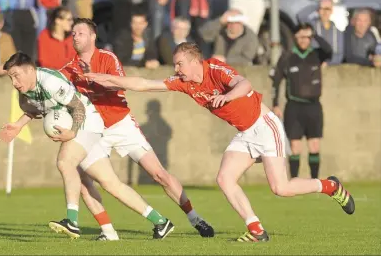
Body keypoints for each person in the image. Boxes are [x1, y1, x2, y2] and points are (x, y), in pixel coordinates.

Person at [83, 41, 355, 242]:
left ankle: (330, 186)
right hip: (245, 134)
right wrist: (104, 79)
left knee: (280, 188)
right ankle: (256, 229)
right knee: (224, 179)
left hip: (264, 126)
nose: (176, 69)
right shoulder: (184, 82)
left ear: (193, 60)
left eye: (179, 63)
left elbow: (245, 84)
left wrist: (228, 96)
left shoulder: (214, 67)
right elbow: (143, 83)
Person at [59, 18, 214, 239]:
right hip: (94, 131)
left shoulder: (107, 58)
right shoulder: (69, 69)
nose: (75, 36)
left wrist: (92, 74)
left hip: (120, 124)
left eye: (81, 33)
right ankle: (108, 231)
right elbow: (55, 90)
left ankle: (195, 218)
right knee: (83, 181)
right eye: (73, 33)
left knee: (159, 174)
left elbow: (120, 85)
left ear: (93, 36)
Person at [0, 52, 175, 241]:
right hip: (79, 127)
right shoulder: (24, 91)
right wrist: (18, 125)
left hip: (87, 122)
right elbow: (34, 109)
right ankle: (155, 223)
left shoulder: (50, 81)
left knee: (65, 163)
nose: (14, 82)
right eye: (11, 77)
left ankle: (72, 222)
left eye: (16, 75)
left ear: (30, 70)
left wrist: (72, 132)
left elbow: (78, 107)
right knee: (105, 183)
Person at [271, 23, 332, 179]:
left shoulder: (317, 54)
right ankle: (295, 180)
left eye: (307, 37)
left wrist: (314, 34)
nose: (304, 40)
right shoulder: (287, 56)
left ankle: (315, 181)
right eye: (300, 37)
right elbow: (276, 80)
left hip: (313, 106)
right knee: (295, 146)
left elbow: (329, 50)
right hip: (294, 107)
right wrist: (275, 103)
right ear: (295, 38)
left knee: (314, 145)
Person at [309, 0, 344, 66]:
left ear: (332, 11)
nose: (324, 12)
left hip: (332, 68)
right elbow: (300, 16)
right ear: (318, 10)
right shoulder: (311, 28)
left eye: (327, 9)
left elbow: (340, 54)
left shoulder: (338, 33)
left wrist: (328, 63)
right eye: (322, 8)